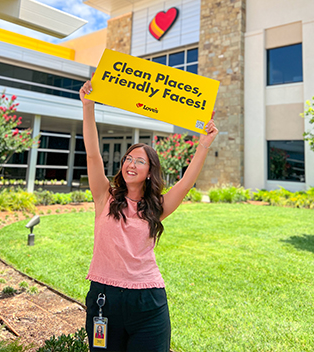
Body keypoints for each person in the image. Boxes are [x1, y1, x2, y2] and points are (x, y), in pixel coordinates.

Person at [80, 80, 218, 352]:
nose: (131, 163)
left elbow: (186, 183)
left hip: (148, 303)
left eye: (139, 160)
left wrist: (203, 143)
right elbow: (93, 155)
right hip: (103, 301)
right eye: (128, 159)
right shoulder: (104, 198)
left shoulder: (157, 207)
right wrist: (88, 107)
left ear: (150, 171)